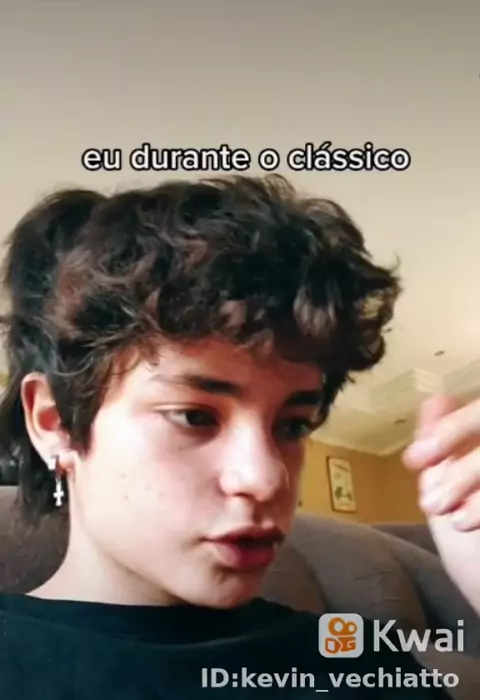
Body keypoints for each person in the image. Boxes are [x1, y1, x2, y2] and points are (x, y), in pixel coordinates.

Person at [0, 173, 469, 698]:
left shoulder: (357, 658)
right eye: (194, 416)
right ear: (55, 422)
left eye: (292, 425)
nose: (267, 478)